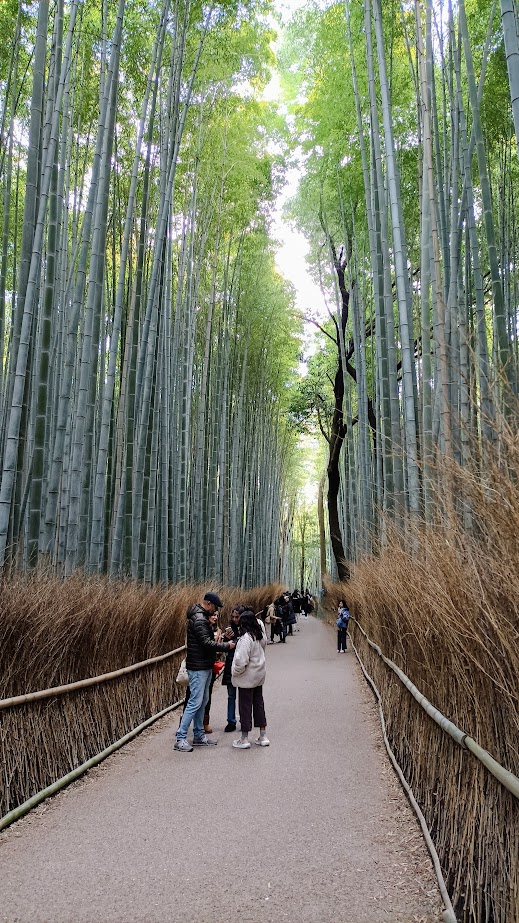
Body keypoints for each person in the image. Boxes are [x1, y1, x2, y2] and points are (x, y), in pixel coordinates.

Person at [174, 592, 234, 752]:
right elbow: (207, 643)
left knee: (202, 700)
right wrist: (226, 646)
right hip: (198, 666)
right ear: (208, 603)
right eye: (214, 608)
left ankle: (199, 735)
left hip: (205, 665)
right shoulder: (199, 619)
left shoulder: (201, 617)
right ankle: (180, 737)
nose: (214, 612)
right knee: (195, 701)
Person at [231, 609, 269, 749]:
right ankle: (263, 735)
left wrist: (235, 672)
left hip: (247, 677)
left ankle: (244, 738)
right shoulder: (260, 636)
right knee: (259, 704)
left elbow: (241, 661)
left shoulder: (246, 638)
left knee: (245, 706)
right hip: (259, 676)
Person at [221, 605, 244, 732]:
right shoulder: (230, 629)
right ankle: (231, 721)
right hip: (231, 663)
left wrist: (235, 641)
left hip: (242, 664)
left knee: (242, 694)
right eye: (233, 617)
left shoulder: (246, 629)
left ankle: (244, 720)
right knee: (231, 695)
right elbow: (226, 646)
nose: (235, 619)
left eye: (237, 617)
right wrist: (226, 639)